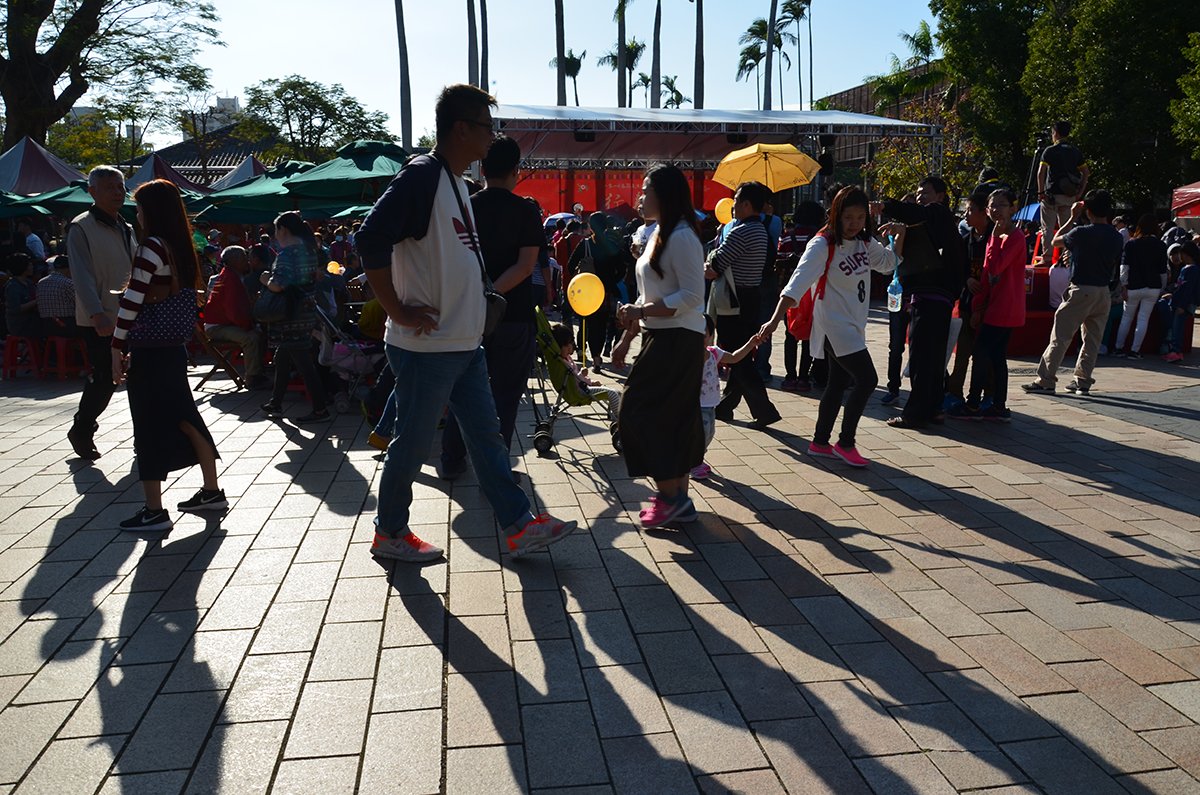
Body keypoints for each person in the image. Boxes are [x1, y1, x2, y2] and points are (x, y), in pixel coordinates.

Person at [356, 83, 576, 563]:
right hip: (426, 347)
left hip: (462, 342)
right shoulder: (422, 176)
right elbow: (369, 238)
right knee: (411, 445)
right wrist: (395, 309)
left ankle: (520, 526)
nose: (491, 137)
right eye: (486, 126)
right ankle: (389, 531)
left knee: (487, 439)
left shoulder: (458, 184)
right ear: (461, 129)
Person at [759, 186, 906, 467]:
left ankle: (820, 442)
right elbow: (796, 284)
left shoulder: (864, 243)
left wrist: (900, 236)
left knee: (837, 383)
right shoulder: (822, 244)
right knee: (867, 380)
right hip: (834, 325)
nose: (854, 223)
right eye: (848, 217)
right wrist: (774, 319)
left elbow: (889, 264)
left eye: (861, 217)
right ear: (835, 215)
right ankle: (845, 442)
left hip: (853, 324)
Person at [110, 179, 225, 531]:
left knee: (147, 425)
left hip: (150, 349)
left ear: (152, 211)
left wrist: (116, 346)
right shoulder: (181, 247)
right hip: (173, 347)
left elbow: (132, 301)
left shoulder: (151, 248)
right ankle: (211, 490)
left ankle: (154, 510)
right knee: (187, 417)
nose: (138, 215)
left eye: (140, 207)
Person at [439, 135, 545, 481]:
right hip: (512, 315)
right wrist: (493, 291)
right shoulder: (525, 210)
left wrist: (478, 292)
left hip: (466, 315)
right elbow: (526, 265)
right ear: (517, 170)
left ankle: (452, 459)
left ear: (482, 167)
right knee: (506, 394)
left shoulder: (465, 206)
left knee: (464, 391)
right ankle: (495, 471)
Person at [612, 164, 707, 527]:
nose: (640, 196)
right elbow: (651, 294)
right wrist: (627, 336)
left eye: (647, 189)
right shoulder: (657, 233)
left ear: (665, 195)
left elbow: (692, 295)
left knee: (640, 412)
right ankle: (676, 499)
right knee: (669, 417)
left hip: (679, 338)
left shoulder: (682, 235)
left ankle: (672, 497)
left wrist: (640, 310)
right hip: (662, 335)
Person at [882, 176, 967, 429]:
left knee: (920, 358)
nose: (920, 196)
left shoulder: (935, 213)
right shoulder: (940, 224)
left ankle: (915, 414)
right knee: (933, 358)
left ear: (941, 196)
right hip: (939, 299)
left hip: (930, 299)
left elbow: (912, 211)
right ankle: (935, 409)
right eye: (918, 192)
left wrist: (883, 205)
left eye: (926, 192)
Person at [66, 166, 136, 461]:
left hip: (130, 314)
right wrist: (96, 313)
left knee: (138, 375)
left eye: (120, 187)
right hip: (101, 318)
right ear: (91, 191)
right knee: (106, 377)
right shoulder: (81, 227)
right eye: (109, 187)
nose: (117, 192)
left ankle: (143, 437)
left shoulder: (127, 226)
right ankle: (82, 428)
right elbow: (80, 275)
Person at [1023, 190, 1124, 395]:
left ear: (1088, 210)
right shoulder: (1116, 236)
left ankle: (1046, 379)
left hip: (1081, 289)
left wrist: (1072, 217)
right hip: (1103, 291)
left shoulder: (1082, 233)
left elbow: (1055, 240)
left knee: (1060, 337)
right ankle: (1082, 380)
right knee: (1092, 340)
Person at [705, 181, 781, 429]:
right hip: (750, 299)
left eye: (736, 200)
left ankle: (764, 410)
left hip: (732, 303)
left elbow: (715, 265)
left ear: (747, 205)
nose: (733, 205)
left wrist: (713, 255)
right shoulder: (761, 230)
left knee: (739, 359)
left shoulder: (742, 231)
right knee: (740, 354)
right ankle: (725, 407)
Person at [949, 188, 1026, 422]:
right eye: (993, 205)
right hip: (996, 306)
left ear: (1013, 208)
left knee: (982, 353)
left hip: (1004, 307)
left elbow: (994, 269)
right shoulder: (1000, 235)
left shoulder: (1014, 236)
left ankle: (974, 405)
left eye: (1001, 205)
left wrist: (994, 238)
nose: (996, 210)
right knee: (995, 357)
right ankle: (998, 407)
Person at [259, 211, 328, 423]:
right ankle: (276, 403)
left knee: (303, 362)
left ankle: (320, 409)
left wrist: (265, 280)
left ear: (284, 230)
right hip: (306, 311)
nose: (275, 235)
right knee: (283, 355)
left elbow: (279, 285)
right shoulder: (310, 251)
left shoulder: (287, 254)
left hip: (290, 315)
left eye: (276, 229)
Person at [693, 314, 759, 479]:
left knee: (709, 434)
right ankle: (694, 463)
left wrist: (750, 344)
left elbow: (735, 357)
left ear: (710, 336)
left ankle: (695, 458)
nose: (701, 338)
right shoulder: (687, 356)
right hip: (694, 405)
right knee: (701, 434)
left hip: (710, 404)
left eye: (704, 334)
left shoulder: (714, 353)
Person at [944, 192, 992, 410]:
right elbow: (956, 268)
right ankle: (955, 394)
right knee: (962, 353)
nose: (966, 215)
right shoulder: (965, 240)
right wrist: (967, 279)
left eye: (971, 210)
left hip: (990, 307)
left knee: (984, 356)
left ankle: (985, 396)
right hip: (966, 304)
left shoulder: (995, 238)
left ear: (984, 212)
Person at [204, 245, 269, 389]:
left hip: (223, 323)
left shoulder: (232, 275)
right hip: (218, 327)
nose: (247, 261)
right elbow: (232, 310)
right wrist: (248, 325)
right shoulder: (230, 278)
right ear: (235, 261)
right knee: (251, 338)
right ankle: (252, 378)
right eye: (244, 259)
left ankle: (258, 371)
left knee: (258, 334)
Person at [1114, 214, 1169, 359]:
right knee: (1143, 319)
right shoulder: (1161, 246)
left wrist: (1124, 285)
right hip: (1153, 287)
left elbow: (1124, 267)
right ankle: (1134, 350)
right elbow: (1163, 271)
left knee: (1126, 318)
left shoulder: (1131, 244)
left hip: (1133, 286)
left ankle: (1118, 348)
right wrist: (1162, 288)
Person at [550, 322, 622, 423]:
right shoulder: (564, 363)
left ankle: (617, 416)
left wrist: (589, 380)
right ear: (558, 347)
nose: (570, 347)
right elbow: (577, 379)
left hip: (580, 388)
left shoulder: (564, 359)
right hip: (579, 392)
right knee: (613, 394)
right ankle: (620, 420)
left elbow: (576, 378)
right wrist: (587, 380)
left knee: (617, 393)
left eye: (571, 343)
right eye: (567, 345)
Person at [1038, 121, 1090, 252]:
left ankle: (1047, 257)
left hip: (1051, 194)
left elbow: (1041, 172)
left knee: (1047, 228)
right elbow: (1086, 172)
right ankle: (1066, 257)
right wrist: (1080, 192)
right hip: (1069, 195)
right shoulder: (1075, 151)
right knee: (1067, 226)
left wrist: (1040, 192)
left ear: (1055, 133)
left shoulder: (1050, 151)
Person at [1163, 241, 1199, 363]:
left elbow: (1187, 290)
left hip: (1183, 304)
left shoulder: (1192, 270)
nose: (1180, 257)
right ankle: (1174, 349)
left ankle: (1176, 351)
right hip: (1179, 302)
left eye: (1181, 254)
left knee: (1178, 327)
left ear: (1186, 254)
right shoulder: (1188, 269)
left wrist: (1182, 305)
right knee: (1176, 326)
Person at [37, 255, 77, 337]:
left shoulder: (40, 282)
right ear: (68, 268)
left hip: (46, 327)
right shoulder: (68, 283)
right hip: (67, 327)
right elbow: (80, 304)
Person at [5, 252, 41, 340]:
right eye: (29, 265)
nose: (32, 266)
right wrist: (37, 301)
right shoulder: (12, 286)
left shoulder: (29, 283)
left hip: (32, 319)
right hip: (21, 324)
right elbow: (16, 309)